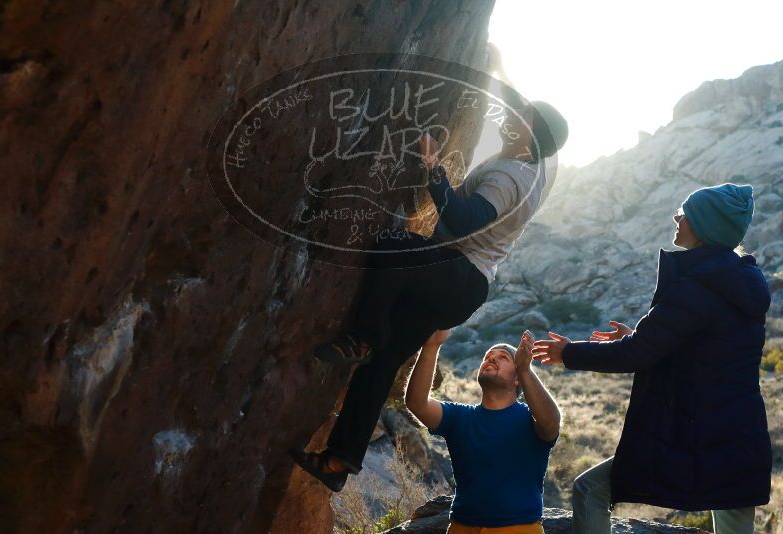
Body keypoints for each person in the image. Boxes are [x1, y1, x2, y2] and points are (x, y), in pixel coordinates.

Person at [290, 101, 569, 492]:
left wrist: (433, 169)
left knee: (393, 247)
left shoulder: (510, 176)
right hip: (458, 286)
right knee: (382, 362)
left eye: (520, 119)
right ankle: (339, 460)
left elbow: (465, 219)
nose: (509, 118)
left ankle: (363, 335)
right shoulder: (533, 168)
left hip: (458, 274)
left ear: (531, 137)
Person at [531, 183, 772, 534]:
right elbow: (705, 351)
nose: (677, 217)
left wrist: (569, 352)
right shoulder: (741, 283)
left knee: (589, 490)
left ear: (705, 226)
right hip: (738, 440)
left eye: (685, 214)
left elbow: (635, 355)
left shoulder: (698, 286)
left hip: (693, 437)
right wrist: (639, 336)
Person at [406, 329, 561, 534]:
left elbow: (551, 422)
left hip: (519, 529)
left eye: (503, 357)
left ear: (517, 380)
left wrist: (525, 370)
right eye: (488, 357)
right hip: (461, 528)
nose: (492, 359)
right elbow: (417, 403)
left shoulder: (530, 419)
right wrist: (431, 346)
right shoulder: (460, 417)